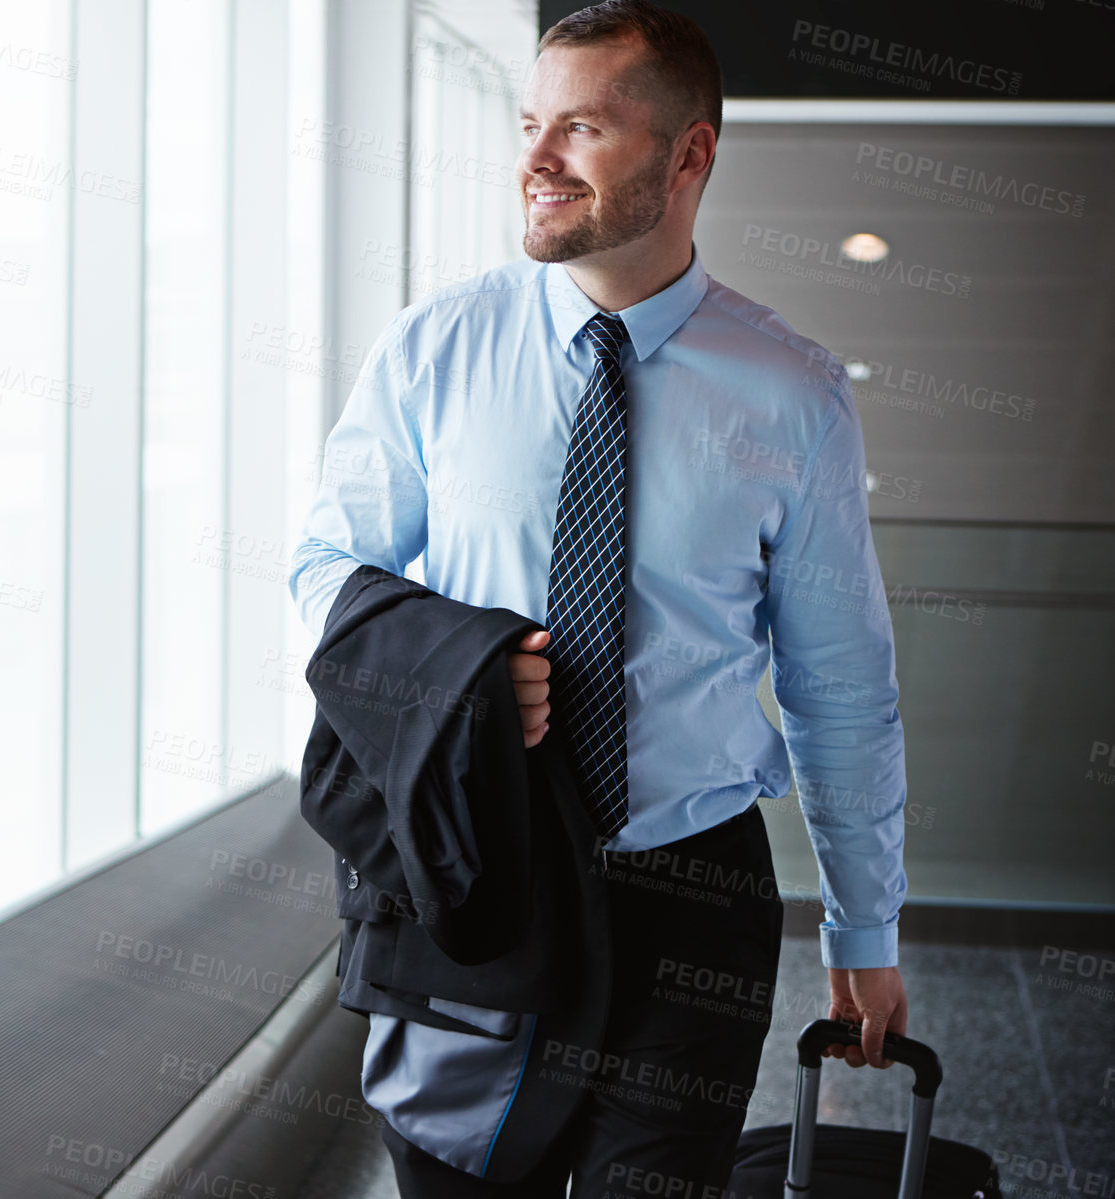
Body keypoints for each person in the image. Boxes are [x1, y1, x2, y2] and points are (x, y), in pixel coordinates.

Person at [285, 0, 910, 1192]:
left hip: (693, 896)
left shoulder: (795, 395)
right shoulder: (434, 351)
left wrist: (864, 929)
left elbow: (840, 689)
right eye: (530, 123)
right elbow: (325, 575)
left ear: (689, 156)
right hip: (480, 871)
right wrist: (461, 661)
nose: (533, 159)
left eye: (580, 129)